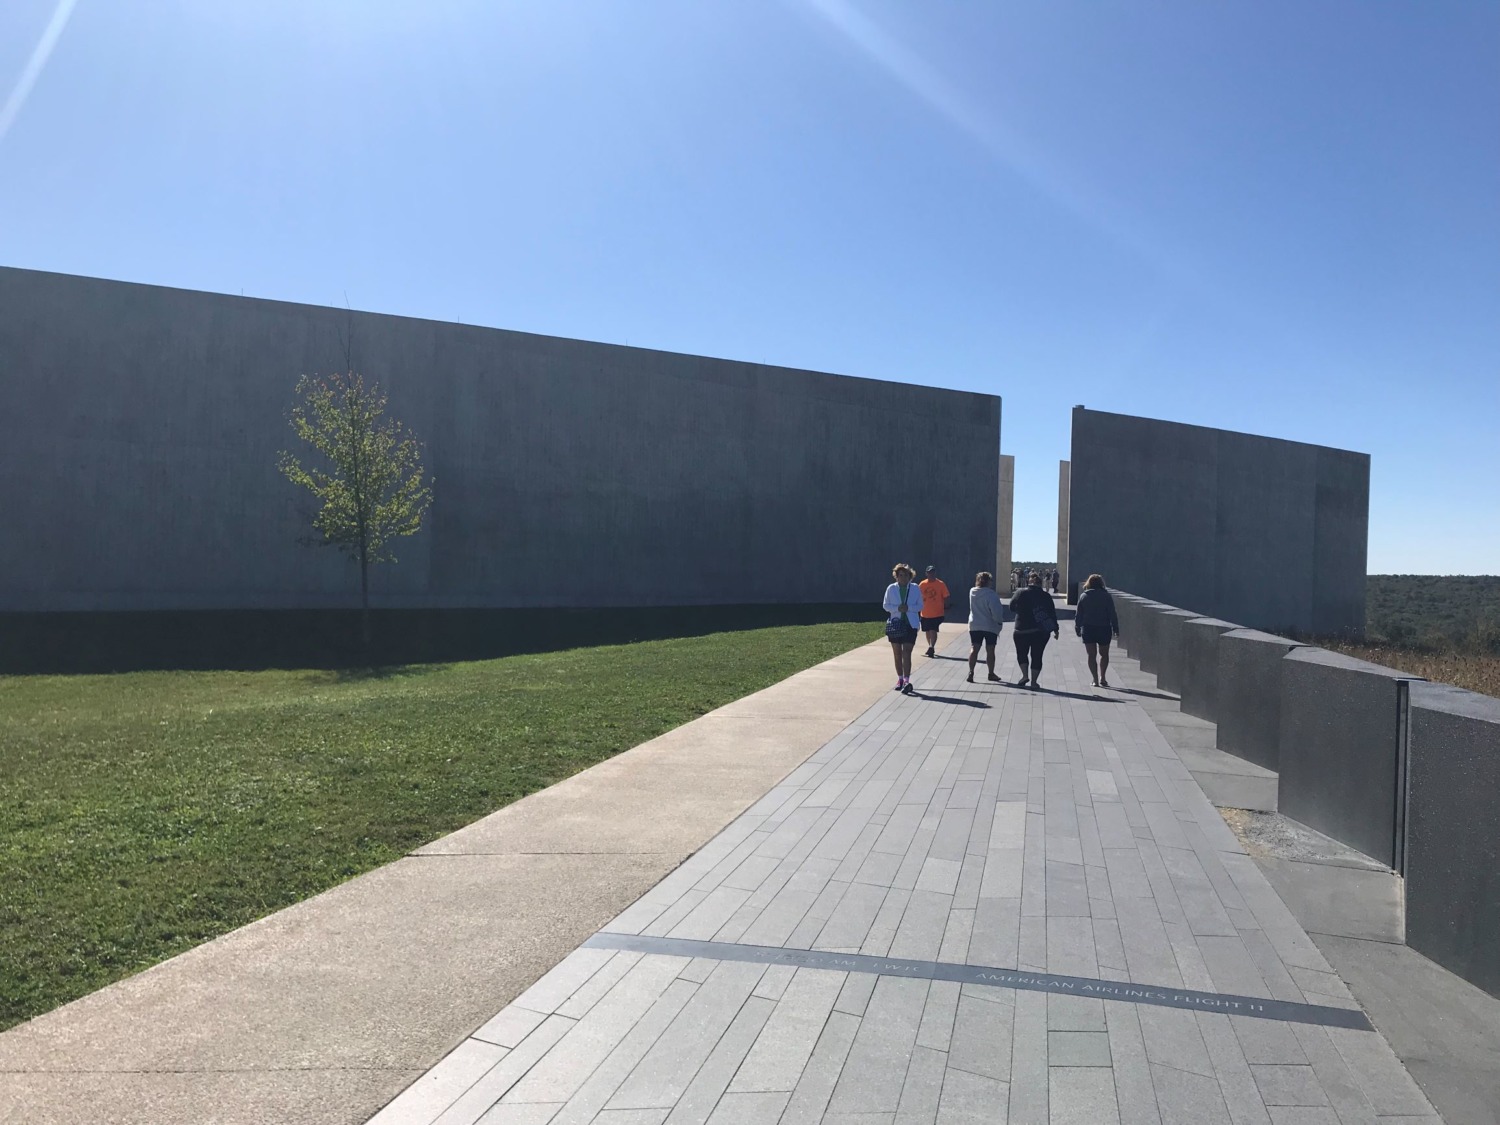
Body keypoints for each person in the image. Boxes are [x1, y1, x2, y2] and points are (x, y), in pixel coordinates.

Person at [1009, 573, 1060, 688]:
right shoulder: (1046, 596)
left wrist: (1021, 611)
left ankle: (1024, 675)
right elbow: (1052, 613)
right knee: (1037, 655)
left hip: (1021, 628)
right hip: (1041, 630)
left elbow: (1011, 607)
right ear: (1040, 583)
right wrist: (1055, 629)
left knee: (1022, 653)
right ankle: (1034, 682)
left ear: (1029, 582)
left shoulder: (1020, 592)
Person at [1074, 573, 1120, 687]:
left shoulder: (1084, 596)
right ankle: (1103, 678)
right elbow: (1112, 613)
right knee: (1104, 654)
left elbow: (1079, 614)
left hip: (1088, 628)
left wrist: (1077, 626)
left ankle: (1095, 679)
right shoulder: (1106, 596)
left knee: (1091, 655)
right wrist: (1116, 628)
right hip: (1104, 628)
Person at [883, 563, 922, 694]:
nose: (903, 578)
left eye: (905, 575)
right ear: (896, 576)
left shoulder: (915, 588)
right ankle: (899, 679)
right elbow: (885, 605)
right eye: (900, 575)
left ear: (910, 576)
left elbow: (920, 606)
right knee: (897, 653)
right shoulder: (891, 588)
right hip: (895, 625)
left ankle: (906, 680)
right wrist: (897, 608)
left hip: (911, 625)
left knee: (907, 652)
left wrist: (909, 608)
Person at [966, 571, 1005, 684]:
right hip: (989, 625)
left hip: (975, 624)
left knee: (974, 648)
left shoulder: (972, 591)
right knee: (990, 649)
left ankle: (971, 671)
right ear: (989, 581)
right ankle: (991, 673)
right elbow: (996, 612)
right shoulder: (991, 594)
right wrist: (999, 622)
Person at [919, 565, 950, 658]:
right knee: (927, 631)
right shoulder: (922, 584)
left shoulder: (940, 584)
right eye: (929, 572)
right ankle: (930, 647)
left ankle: (931, 646)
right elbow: (917, 596)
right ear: (926, 573)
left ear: (934, 573)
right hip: (925, 613)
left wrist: (946, 605)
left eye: (932, 572)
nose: (930, 574)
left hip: (937, 613)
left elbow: (946, 596)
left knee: (933, 629)